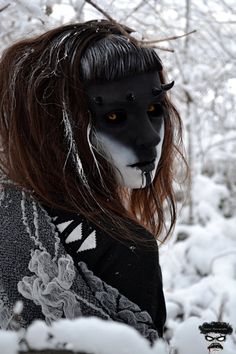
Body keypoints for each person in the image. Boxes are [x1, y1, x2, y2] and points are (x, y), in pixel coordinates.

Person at [0, 20, 186, 342]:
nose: (148, 138)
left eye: (155, 108)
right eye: (114, 116)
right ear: (57, 124)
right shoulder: (125, 249)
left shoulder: (8, 205)